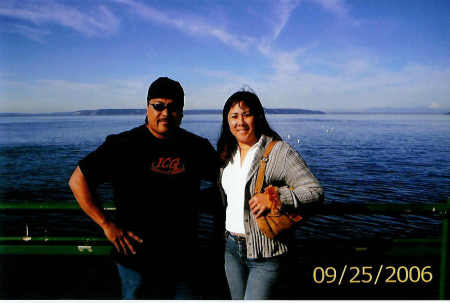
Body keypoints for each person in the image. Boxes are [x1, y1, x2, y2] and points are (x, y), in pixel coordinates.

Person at [68, 77, 222, 299]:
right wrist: (106, 224)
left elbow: (229, 183)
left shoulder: (197, 147)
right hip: (135, 261)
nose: (165, 113)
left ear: (182, 111)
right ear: (147, 107)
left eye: (173, 107)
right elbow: (77, 181)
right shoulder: (122, 145)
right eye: (158, 106)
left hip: (184, 261)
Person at [217, 90, 324, 300]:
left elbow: (315, 191)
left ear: (257, 116)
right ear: (227, 121)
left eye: (246, 114)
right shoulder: (226, 153)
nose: (240, 122)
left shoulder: (278, 152)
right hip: (231, 248)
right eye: (234, 116)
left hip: (266, 251)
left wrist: (275, 198)